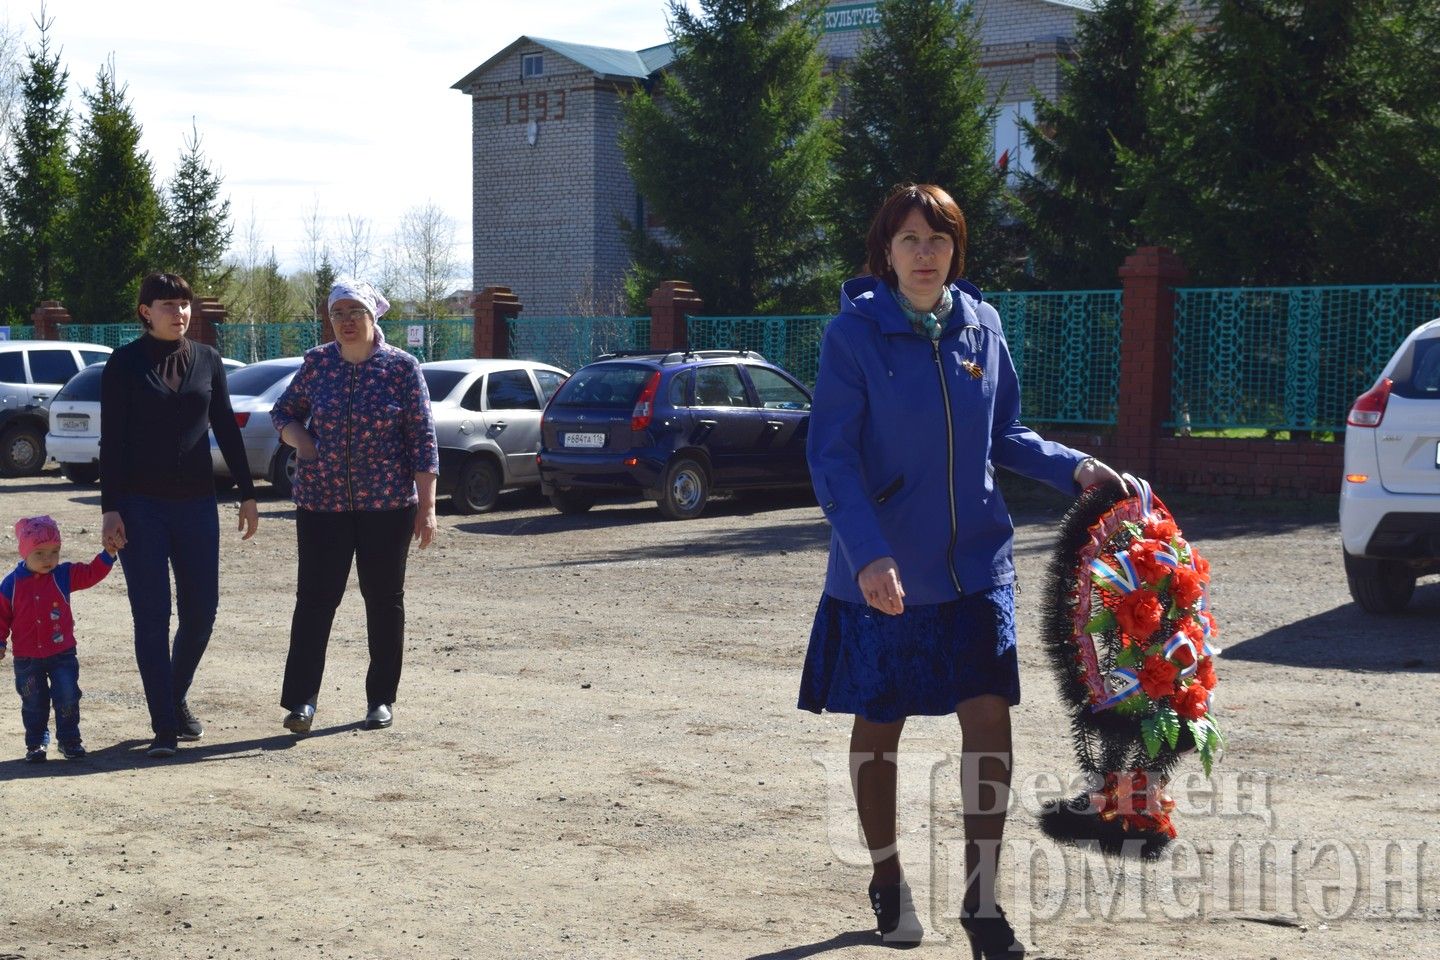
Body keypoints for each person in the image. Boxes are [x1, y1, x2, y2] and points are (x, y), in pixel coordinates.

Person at [798, 184, 1121, 956]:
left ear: (955, 250)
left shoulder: (982, 326)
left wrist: (1077, 469)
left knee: (988, 719)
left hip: (976, 563)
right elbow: (832, 455)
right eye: (908, 239)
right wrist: (867, 553)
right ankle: (886, 876)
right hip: (885, 572)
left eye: (937, 239)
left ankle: (982, 903)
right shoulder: (854, 336)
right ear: (885, 251)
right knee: (881, 725)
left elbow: (1005, 432)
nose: (923, 254)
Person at [101, 273, 260, 759]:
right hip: (140, 507)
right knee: (151, 618)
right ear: (146, 311)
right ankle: (165, 727)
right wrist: (110, 509)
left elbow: (227, 432)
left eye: (185, 304)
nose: (180, 313)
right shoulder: (124, 364)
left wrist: (248, 494)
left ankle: (172, 697)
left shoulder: (208, 361)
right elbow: (112, 441)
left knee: (201, 613)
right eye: (169, 305)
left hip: (196, 505)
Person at [271, 277, 438, 735]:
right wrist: (298, 437)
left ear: (372, 316)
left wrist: (427, 505)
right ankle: (301, 701)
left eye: (355, 312)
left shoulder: (402, 368)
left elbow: (422, 439)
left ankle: (380, 698)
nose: (346, 321)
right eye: (337, 313)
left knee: (384, 601)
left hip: (387, 506)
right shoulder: (317, 364)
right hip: (321, 505)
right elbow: (282, 411)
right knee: (314, 601)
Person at [0, 516, 115, 762]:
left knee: (68, 695)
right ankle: (36, 744)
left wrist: (107, 554)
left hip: (62, 654)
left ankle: (70, 740)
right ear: (24, 552)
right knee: (33, 701)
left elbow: (91, 573)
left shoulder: (63, 575)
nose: (48, 559)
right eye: (39, 553)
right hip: (27, 658)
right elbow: (1, 616)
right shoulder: (11, 584)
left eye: (54, 552)